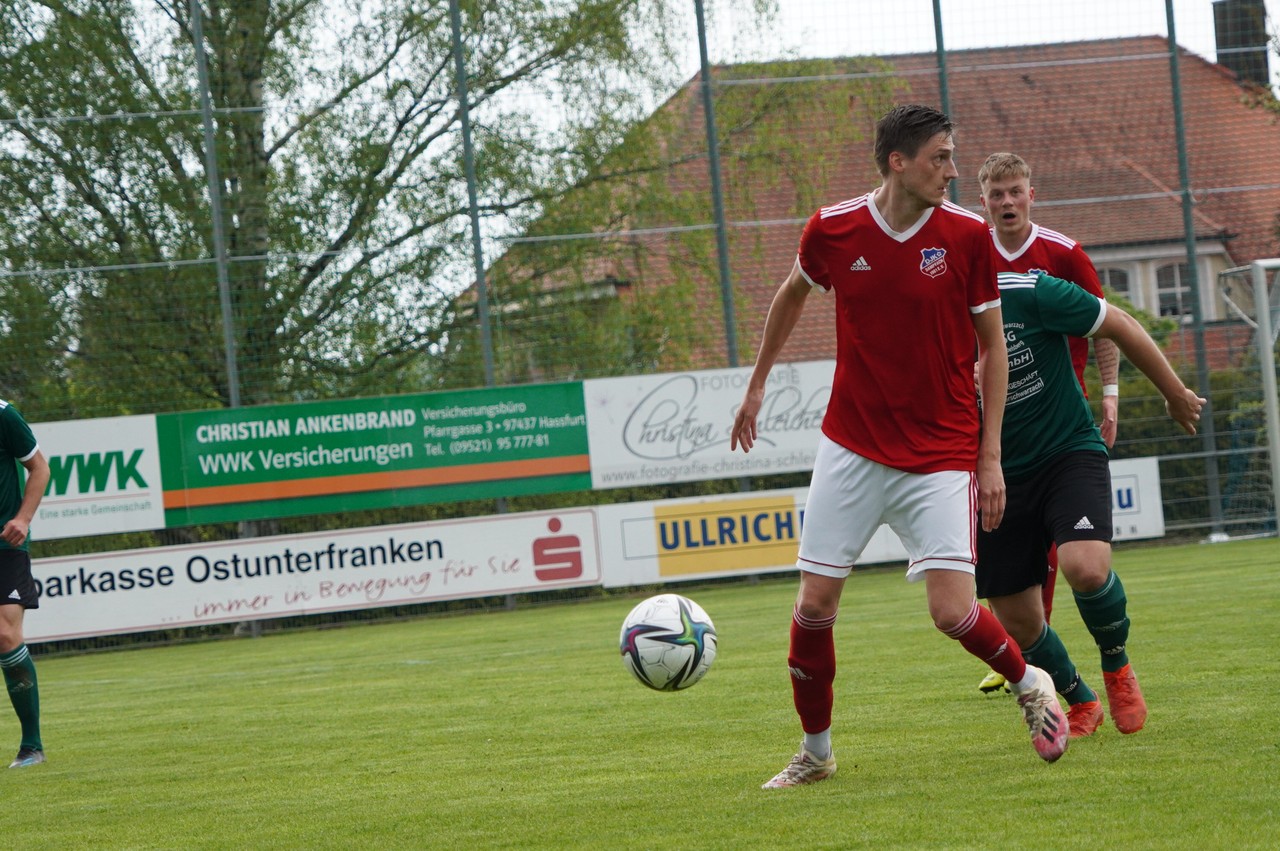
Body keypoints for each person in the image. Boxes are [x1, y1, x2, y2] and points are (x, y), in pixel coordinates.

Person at [730, 104, 1070, 789]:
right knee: (814, 605)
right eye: (940, 158)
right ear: (899, 162)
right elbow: (792, 294)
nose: (951, 171)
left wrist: (989, 455)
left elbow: (993, 349)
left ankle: (1030, 682)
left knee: (952, 612)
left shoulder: (966, 236)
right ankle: (816, 753)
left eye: (951, 157)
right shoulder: (833, 228)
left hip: (942, 451)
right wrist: (757, 383)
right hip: (852, 444)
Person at [976, 270, 1204, 741]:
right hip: (993, 475)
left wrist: (1174, 393)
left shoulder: (1032, 290)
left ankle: (1117, 666)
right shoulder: (929, 315)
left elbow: (1120, 324)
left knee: (1086, 567)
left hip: (1066, 452)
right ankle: (1080, 698)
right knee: (1017, 620)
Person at [973, 152, 1123, 701]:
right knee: (1016, 577)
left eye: (1016, 191)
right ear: (984, 202)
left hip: (1060, 420)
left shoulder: (1062, 253)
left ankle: (1110, 662)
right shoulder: (972, 256)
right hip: (997, 433)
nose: (1007, 201)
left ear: (1031, 195)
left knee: (1077, 555)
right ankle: (1033, 654)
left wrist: (1109, 394)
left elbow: (1105, 324)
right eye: (997, 194)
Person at [0, 398, 49, 768]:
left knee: (5, 633)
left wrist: (23, 518)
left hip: (5, 544)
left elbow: (39, 468)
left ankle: (31, 745)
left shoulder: (3, 415)